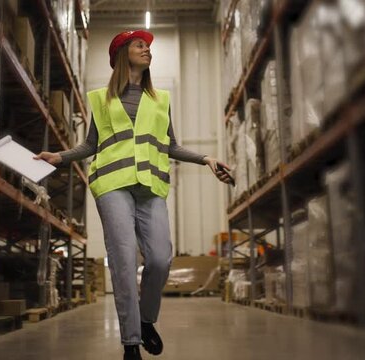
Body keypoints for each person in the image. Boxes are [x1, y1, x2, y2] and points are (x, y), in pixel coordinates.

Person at [34, 29, 232, 360]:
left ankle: (146, 319)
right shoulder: (100, 98)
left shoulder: (160, 99)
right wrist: (59, 157)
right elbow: (90, 145)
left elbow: (169, 145)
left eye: (148, 46)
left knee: (159, 258)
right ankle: (130, 343)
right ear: (122, 53)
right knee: (124, 261)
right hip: (112, 184)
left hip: (151, 186)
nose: (147, 50)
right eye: (140, 45)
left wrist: (206, 159)